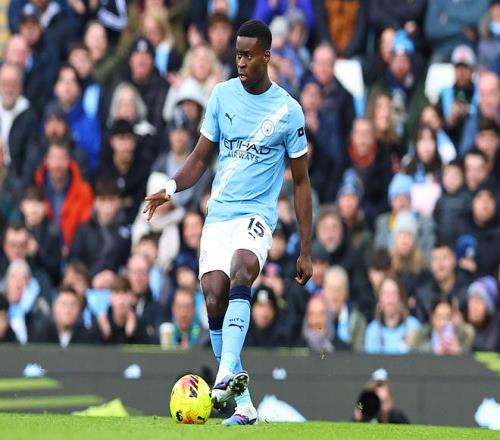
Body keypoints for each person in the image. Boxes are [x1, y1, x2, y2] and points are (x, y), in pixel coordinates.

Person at [143, 20, 313, 425]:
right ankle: (245, 405)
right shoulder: (221, 96)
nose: (240, 62)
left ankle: (223, 375)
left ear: (266, 57)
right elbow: (200, 158)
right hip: (219, 213)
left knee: (242, 270)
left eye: (248, 55)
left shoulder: (288, 111)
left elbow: (301, 182)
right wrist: (170, 187)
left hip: (256, 216)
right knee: (213, 295)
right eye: (237, 54)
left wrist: (306, 249)